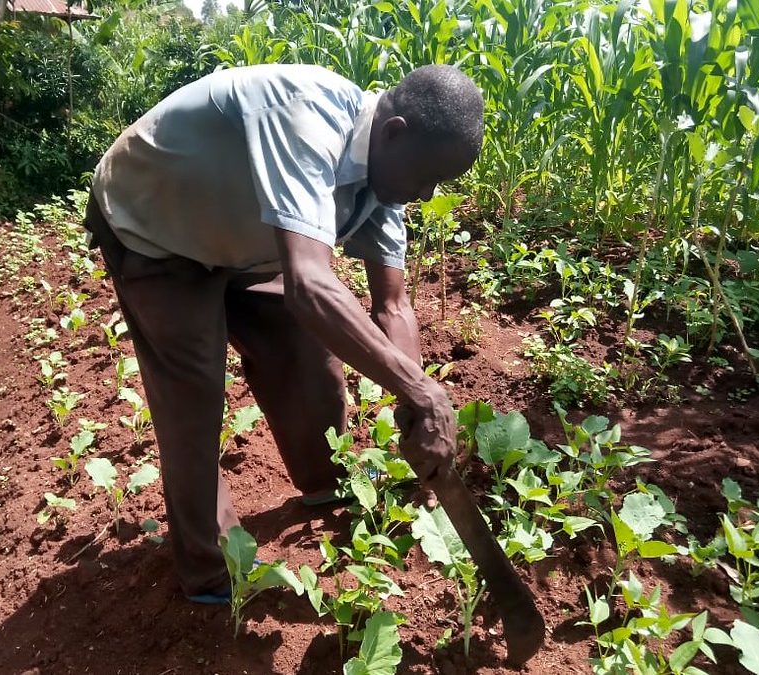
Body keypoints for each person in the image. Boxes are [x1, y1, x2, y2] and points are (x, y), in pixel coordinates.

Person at [84, 62, 485, 603]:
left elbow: (392, 304)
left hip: (245, 240)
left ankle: (329, 485)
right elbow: (310, 285)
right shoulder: (305, 114)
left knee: (307, 357)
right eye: (428, 175)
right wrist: (424, 393)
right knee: (193, 395)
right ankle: (214, 569)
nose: (427, 192)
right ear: (395, 133)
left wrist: (414, 403)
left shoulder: (385, 183)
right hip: (156, 229)